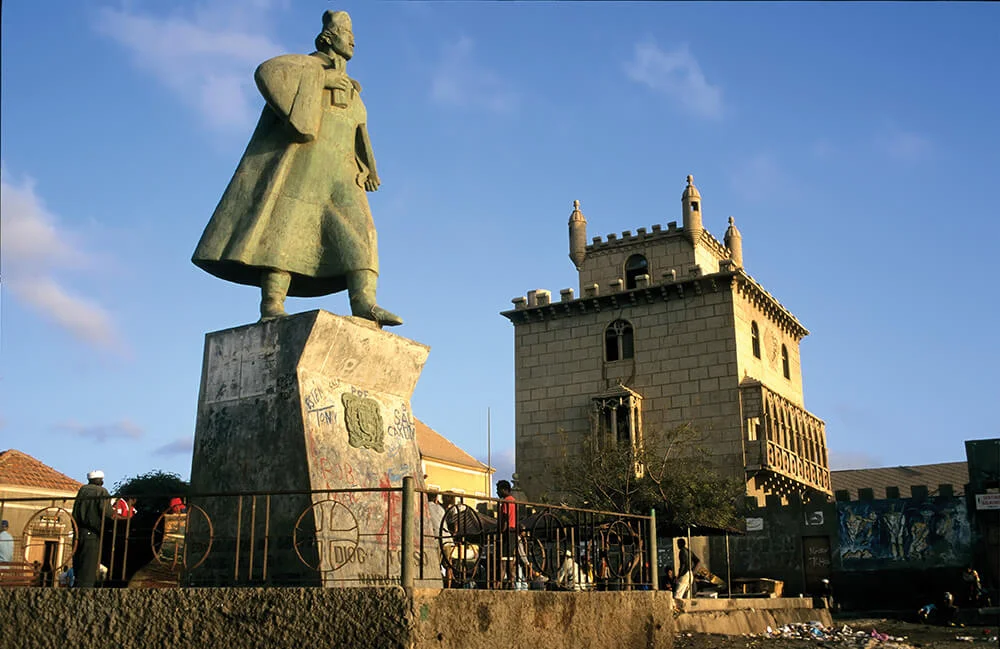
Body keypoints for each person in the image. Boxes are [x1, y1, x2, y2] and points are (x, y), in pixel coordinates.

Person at [192, 10, 401, 326]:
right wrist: (322, 79)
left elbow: (360, 132)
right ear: (328, 38)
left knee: (363, 232)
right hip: (303, 165)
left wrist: (369, 167)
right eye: (347, 34)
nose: (353, 41)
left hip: (342, 172)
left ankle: (364, 303)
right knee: (284, 230)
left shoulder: (354, 91)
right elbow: (267, 72)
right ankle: (272, 305)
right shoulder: (305, 67)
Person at [71, 470, 114, 588]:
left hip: (79, 531)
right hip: (93, 532)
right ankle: (85, 588)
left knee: (79, 560)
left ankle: (77, 584)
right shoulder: (101, 491)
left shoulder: (82, 490)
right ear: (100, 481)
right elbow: (106, 512)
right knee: (89, 563)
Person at [496, 480, 517, 588]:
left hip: (507, 531)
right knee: (510, 557)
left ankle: (499, 581)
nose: (497, 492)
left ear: (504, 490)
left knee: (503, 557)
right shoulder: (514, 501)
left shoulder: (506, 502)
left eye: (498, 490)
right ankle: (511, 581)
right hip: (513, 531)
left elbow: (505, 518)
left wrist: (501, 531)